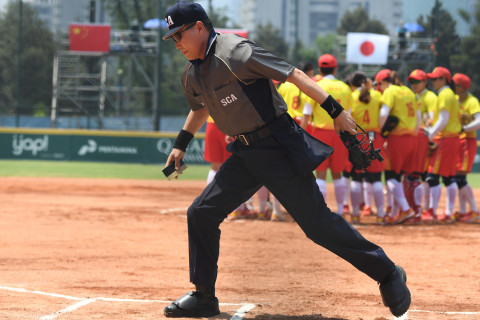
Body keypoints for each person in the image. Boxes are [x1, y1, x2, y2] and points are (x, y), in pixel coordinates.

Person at [161, 1, 410, 318]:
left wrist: (336, 111)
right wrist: (181, 145)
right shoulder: (193, 73)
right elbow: (200, 108)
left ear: (199, 27)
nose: (177, 43)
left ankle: (388, 272)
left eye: (179, 34)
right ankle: (205, 297)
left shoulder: (236, 51)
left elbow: (292, 73)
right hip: (246, 151)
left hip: (278, 144)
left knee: (317, 226)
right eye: (172, 38)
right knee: (201, 212)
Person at [302, 54, 352, 215]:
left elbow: (306, 114)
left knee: (321, 174)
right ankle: (340, 210)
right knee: (338, 175)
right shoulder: (345, 88)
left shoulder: (316, 85)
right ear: (335, 69)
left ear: (319, 69)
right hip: (340, 134)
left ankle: (321, 212)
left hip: (320, 134)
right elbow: (349, 117)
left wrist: (301, 136)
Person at [376, 69, 417, 224]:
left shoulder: (390, 91)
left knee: (391, 175)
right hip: (412, 137)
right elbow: (418, 117)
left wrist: (381, 131)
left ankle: (406, 209)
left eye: (379, 84)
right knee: (398, 177)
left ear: (383, 82)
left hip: (397, 138)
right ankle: (393, 211)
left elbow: (383, 114)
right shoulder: (408, 91)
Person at [349, 71, 386, 225]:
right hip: (375, 137)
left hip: (358, 139)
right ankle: (381, 215)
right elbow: (384, 115)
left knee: (357, 178)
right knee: (376, 178)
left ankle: (356, 214)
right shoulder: (377, 96)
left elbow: (348, 118)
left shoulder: (351, 97)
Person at [424, 67, 461, 223]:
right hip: (452, 138)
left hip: (444, 138)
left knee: (433, 177)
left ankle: (433, 211)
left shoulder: (445, 94)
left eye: (435, 79)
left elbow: (443, 119)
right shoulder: (450, 94)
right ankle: (448, 212)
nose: (432, 82)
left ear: (444, 79)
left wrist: (430, 133)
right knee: (449, 177)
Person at [407, 69, 437, 223]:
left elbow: (432, 118)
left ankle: (427, 209)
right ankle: (423, 208)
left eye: (417, 81)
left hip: (424, 137)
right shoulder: (413, 96)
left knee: (421, 175)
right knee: (417, 175)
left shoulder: (429, 96)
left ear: (425, 81)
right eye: (412, 82)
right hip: (414, 137)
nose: (413, 84)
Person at [453, 73, 480, 222]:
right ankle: (463, 211)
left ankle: (475, 210)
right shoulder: (456, 100)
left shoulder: (472, 101)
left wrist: (465, 128)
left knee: (460, 178)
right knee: (459, 178)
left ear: (463, 87)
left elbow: (479, 121)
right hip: (458, 141)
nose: (453, 87)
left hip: (467, 142)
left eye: (455, 85)